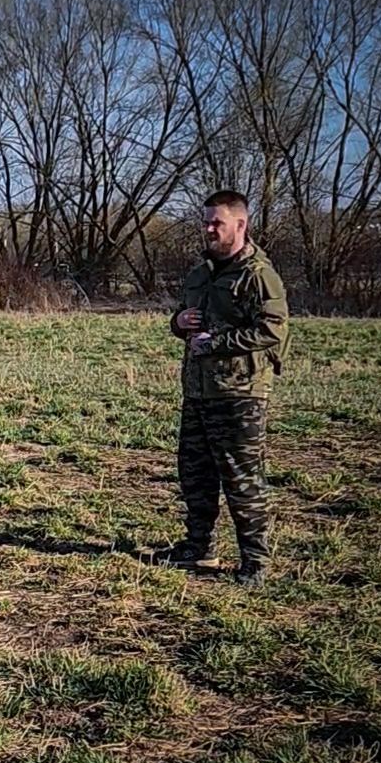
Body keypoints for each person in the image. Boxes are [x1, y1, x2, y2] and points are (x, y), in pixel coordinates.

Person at [160, 190, 289, 586]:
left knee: (241, 477)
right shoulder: (201, 273)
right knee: (195, 473)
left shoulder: (257, 274)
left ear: (240, 224)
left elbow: (273, 329)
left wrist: (217, 343)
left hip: (240, 393)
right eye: (206, 222)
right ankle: (199, 548)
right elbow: (182, 323)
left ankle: (256, 561)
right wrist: (179, 323)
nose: (209, 228)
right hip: (198, 390)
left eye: (217, 222)